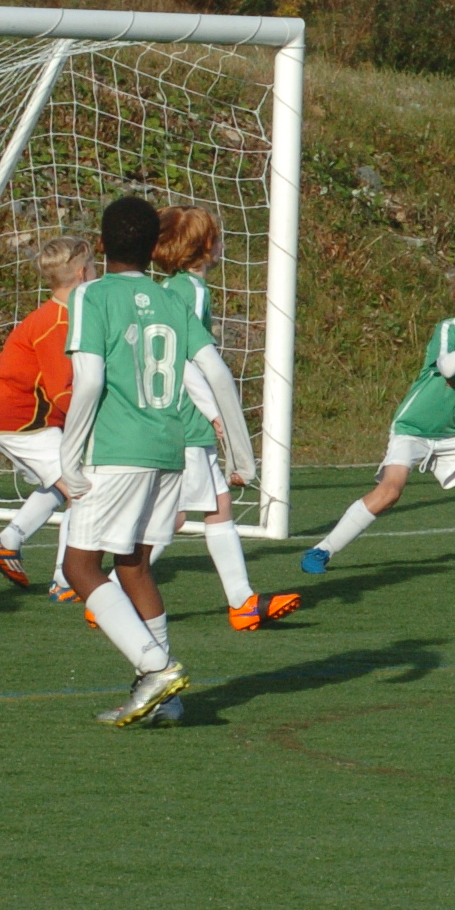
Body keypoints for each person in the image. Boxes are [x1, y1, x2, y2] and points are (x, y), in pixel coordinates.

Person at [60, 195, 257, 727]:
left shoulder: (91, 294)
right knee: (134, 565)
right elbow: (218, 374)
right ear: (154, 248)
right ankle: (167, 702)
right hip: (171, 449)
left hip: (114, 451)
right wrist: (243, 455)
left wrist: (69, 457)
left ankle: (156, 668)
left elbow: (90, 381)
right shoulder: (171, 298)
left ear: (101, 245)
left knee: (79, 567)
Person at [301, 258, 455, 576]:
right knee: (390, 492)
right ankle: (322, 549)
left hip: (452, 433)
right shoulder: (449, 328)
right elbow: (449, 367)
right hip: (413, 428)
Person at [152, 207, 299, 630]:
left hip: (170, 414)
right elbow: (185, 361)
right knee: (177, 515)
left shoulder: (169, 287)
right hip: (186, 415)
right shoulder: (190, 290)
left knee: (214, 505)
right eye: (217, 236)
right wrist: (215, 411)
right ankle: (108, 592)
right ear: (206, 245)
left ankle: (242, 601)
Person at [0, 234, 95, 594]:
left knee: (61, 484)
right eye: (94, 265)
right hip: (24, 420)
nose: (98, 271)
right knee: (83, 491)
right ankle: (67, 579)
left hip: (16, 418)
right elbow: (61, 392)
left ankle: (8, 540)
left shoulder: (62, 314)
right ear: (82, 273)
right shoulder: (57, 321)